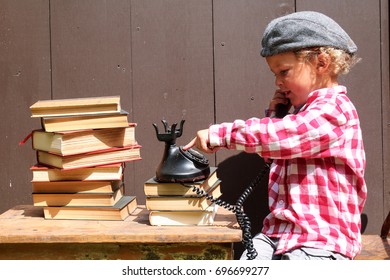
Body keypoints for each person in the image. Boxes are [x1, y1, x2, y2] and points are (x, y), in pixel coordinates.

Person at [183, 11, 367, 260]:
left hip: (319, 241)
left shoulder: (334, 110)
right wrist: (277, 115)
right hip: (276, 236)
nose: (278, 82)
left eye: (284, 72)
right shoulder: (300, 116)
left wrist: (223, 134)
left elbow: (287, 136)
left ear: (321, 63)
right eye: (275, 74)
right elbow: (278, 148)